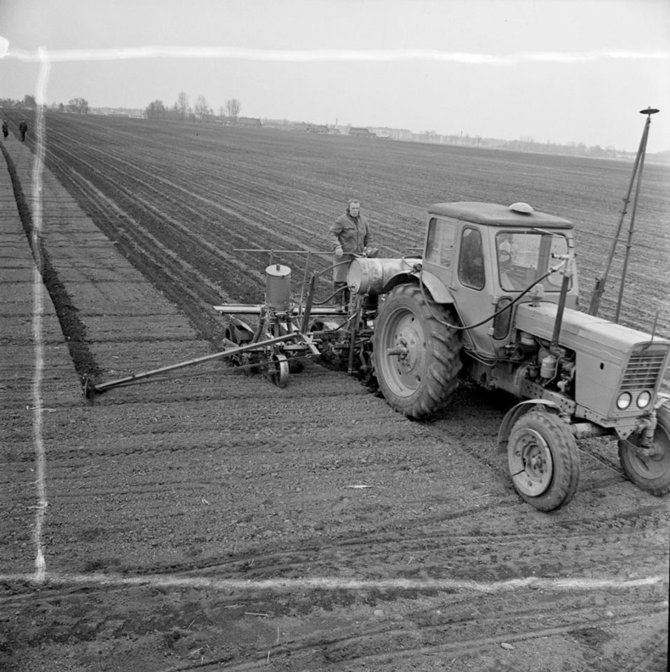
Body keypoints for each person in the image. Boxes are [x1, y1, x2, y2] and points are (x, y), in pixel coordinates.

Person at [329, 199, 374, 306]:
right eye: (353, 208)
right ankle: (338, 305)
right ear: (348, 209)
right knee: (340, 280)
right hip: (343, 256)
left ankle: (348, 305)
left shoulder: (364, 221)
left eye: (357, 208)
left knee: (353, 280)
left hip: (357, 256)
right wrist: (337, 247)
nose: (355, 210)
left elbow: (368, 236)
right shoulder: (341, 220)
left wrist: (369, 247)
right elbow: (332, 233)